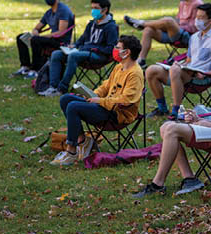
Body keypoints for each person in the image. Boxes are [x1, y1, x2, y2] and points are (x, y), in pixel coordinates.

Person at [133, 40, 211, 197]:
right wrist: (199, 119)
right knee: (166, 126)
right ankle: (189, 179)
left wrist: (208, 124)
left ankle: (158, 184)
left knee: (172, 130)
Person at [51, 35, 144, 166]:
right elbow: (106, 86)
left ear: (127, 52)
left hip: (117, 114)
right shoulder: (119, 67)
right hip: (105, 106)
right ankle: (83, 141)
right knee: (65, 99)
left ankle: (71, 151)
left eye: (117, 48)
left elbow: (126, 100)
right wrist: (91, 95)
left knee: (73, 106)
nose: (115, 50)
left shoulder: (135, 73)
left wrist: (99, 101)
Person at [144, 3, 211, 120]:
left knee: (175, 70)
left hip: (202, 77)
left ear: (210, 21)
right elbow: (189, 60)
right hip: (187, 72)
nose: (197, 20)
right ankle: (162, 109)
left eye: (201, 18)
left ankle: (175, 111)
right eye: (196, 17)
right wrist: (181, 64)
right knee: (151, 70)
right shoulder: (194, 37)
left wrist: (207, 74)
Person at [42, 0, 118, 96]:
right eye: (92, 8)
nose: (93, 11)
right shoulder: (92, 24)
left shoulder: (111, 27)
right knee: (56, 54)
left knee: (74, 56)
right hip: (84, 52)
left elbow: (110, 49)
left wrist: (89, 48)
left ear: (105, 10)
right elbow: (82, 39)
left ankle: (62, 88)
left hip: (99, 56)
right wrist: (74, 45)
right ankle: (53, 87)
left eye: (96, 8)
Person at [123, 0, 203, 67]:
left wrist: (173, 24)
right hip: (175, 34)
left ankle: (142, 23)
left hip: (189, 37)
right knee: (148, 30)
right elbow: (178, 19)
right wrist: (169, 25)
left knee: (168, 20)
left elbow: (196, 27)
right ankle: (141, 60)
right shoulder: (182, 3)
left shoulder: (197, 4)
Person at [12, 0, 75, 78]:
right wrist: (35, 32)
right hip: (51, 39)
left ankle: (36, 69)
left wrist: (40, 37)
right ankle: (25, 66)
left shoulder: (63, 10)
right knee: (20, 37)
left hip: (61, 42)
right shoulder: (49, 13)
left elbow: (61, 32)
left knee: (36, 40)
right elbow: (37, 28)